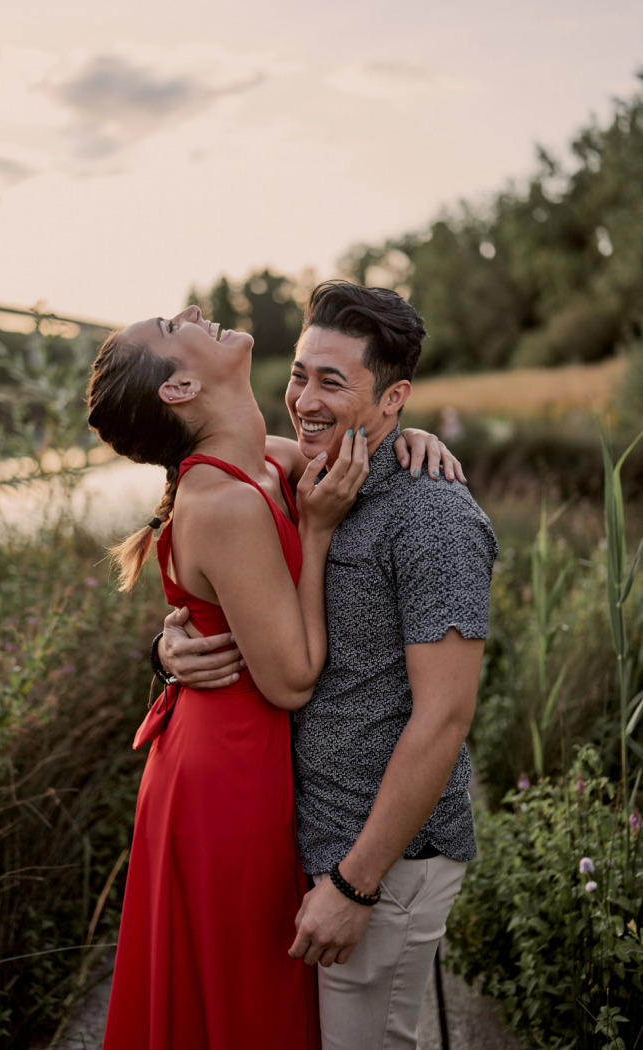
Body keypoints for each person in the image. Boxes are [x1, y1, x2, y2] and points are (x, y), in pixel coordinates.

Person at [86, 302, 454, 1050]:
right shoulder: (222, 502)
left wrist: (401, 431)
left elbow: (335, 455)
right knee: (243, 990)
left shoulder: (265, 459)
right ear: (180, 388)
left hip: (242, 749)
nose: (191, 310)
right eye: (168, 325)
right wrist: (316, 533)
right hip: (228, 773)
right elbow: (290, 683)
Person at [160, 281, 498, 1050]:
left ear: (394, 399)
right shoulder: (302, 477)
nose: (304, 399)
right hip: (304, 842)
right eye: (301, 374)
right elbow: (217, 552)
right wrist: (169, 641)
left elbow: (442, 720)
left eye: (333, 381)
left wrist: (355, 885)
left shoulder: (433, 517)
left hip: (383, 865)